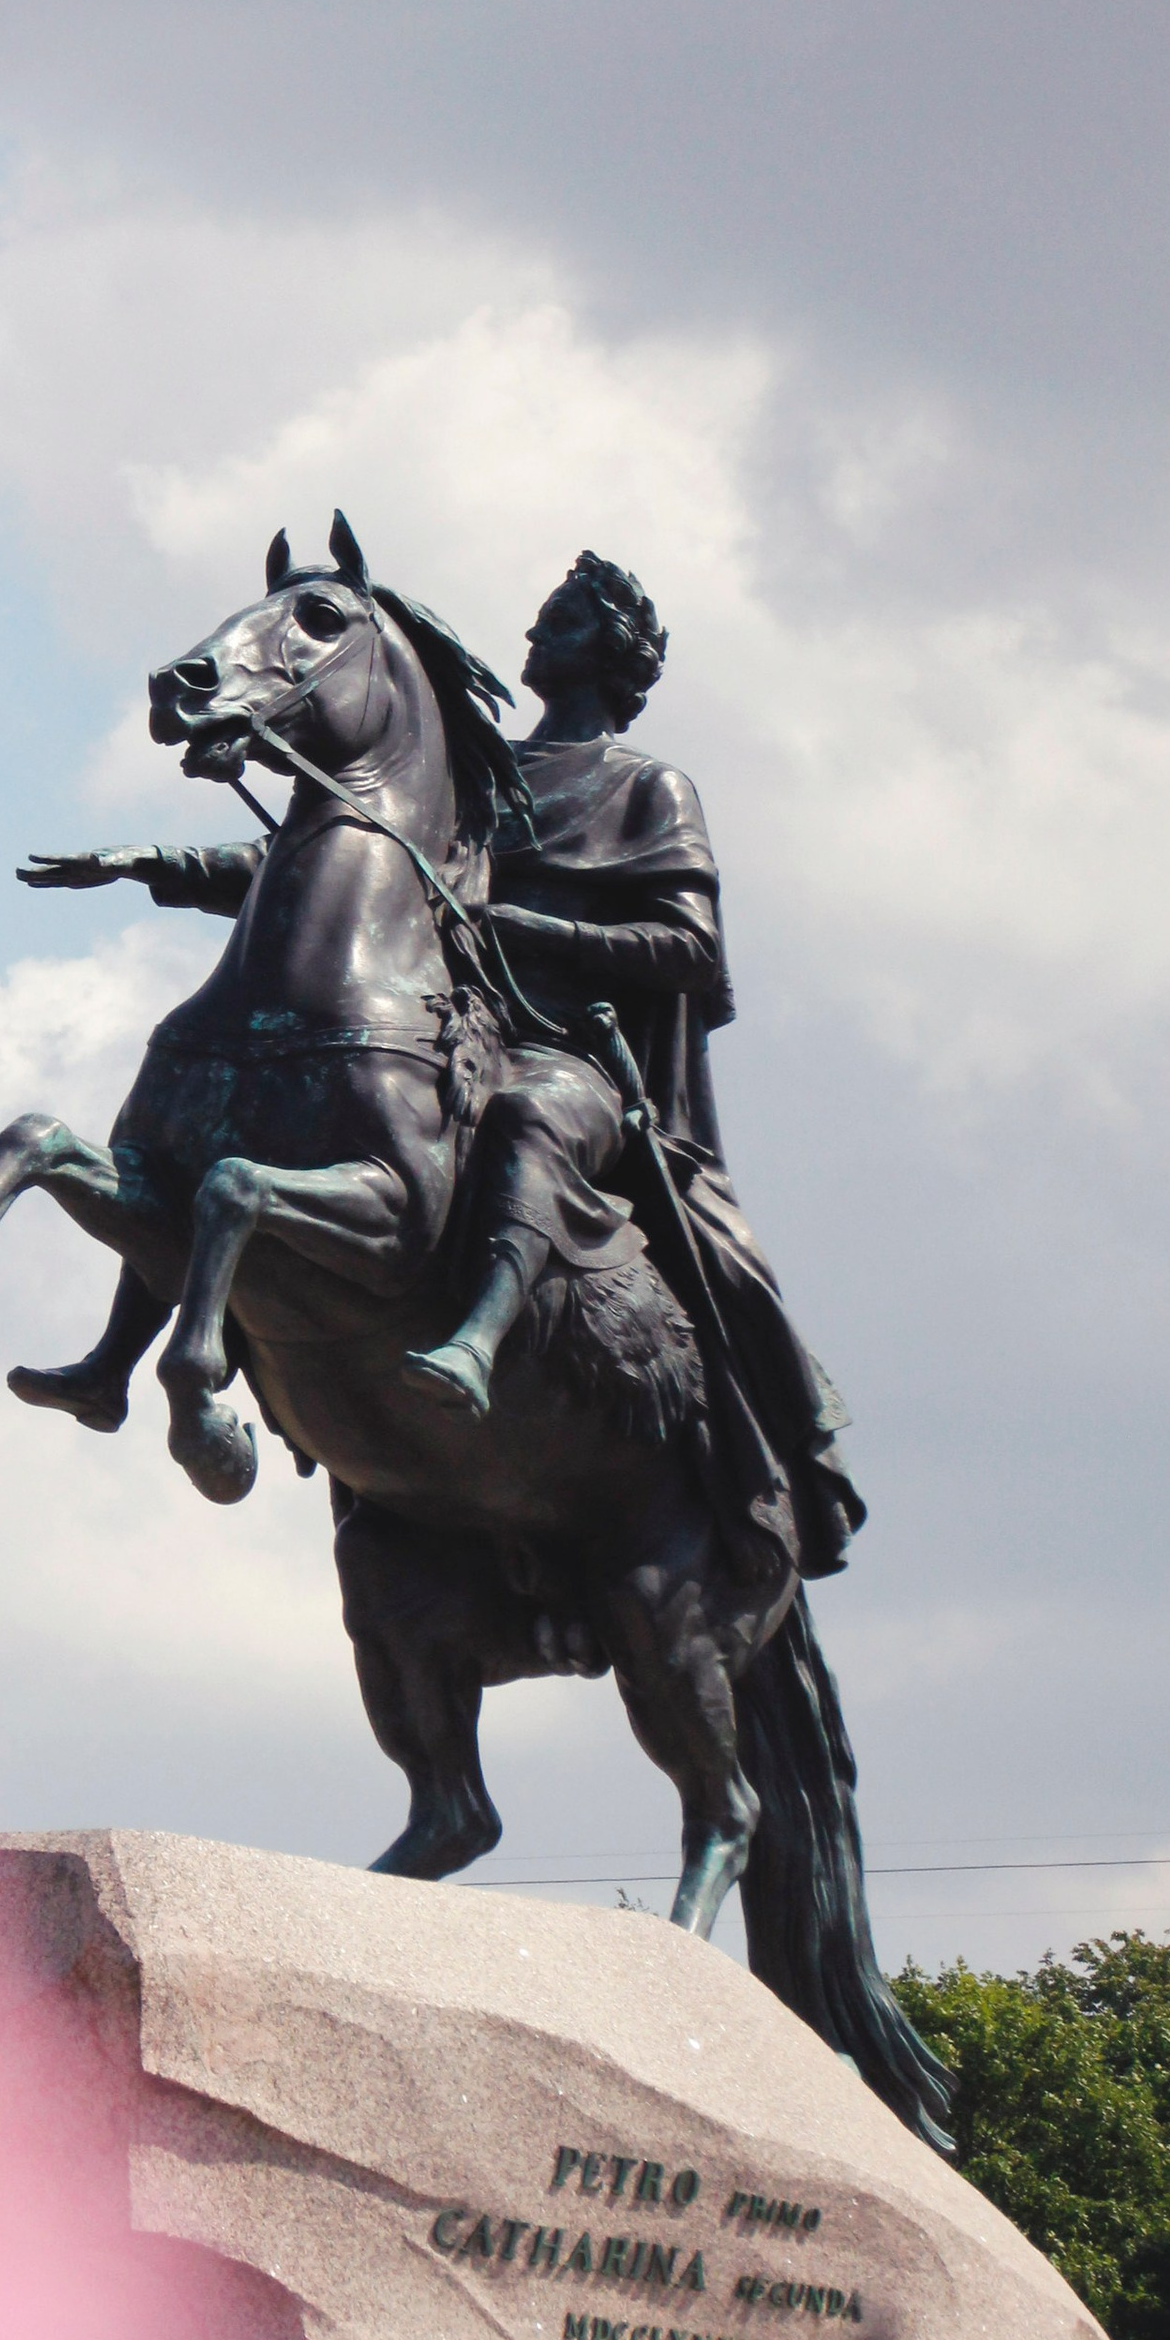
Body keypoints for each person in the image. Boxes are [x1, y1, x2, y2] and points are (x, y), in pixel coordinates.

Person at [400, 551, 864, 1582]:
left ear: (612, 656)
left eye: (560, 621)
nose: (532, 635)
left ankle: (487, 1341)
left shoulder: (648, 787)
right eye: (539, 616)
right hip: (455, 1039)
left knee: (536, 1125)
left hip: (577, 1064)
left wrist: (522, 923)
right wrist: (177, 870)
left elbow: (689, 950)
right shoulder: (476, 776)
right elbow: (374, 877)